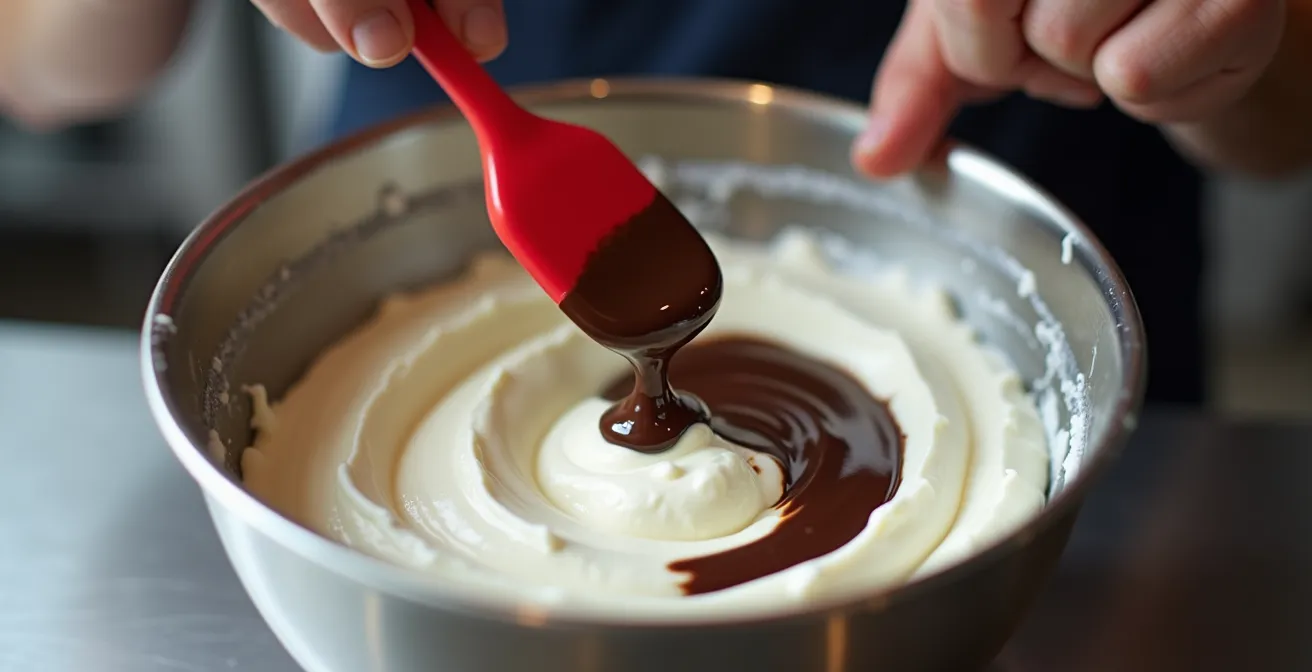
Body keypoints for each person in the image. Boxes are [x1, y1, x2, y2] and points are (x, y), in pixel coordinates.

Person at [2, 0, 1308, 405]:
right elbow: (52, 66)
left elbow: (1282, 123)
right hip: (418, 182)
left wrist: (1202, 50)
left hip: (1040, 240)